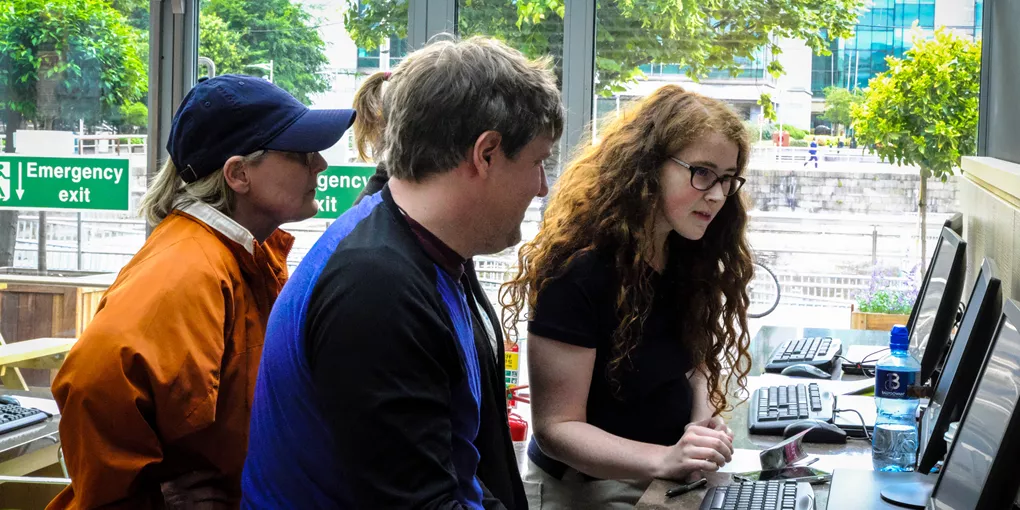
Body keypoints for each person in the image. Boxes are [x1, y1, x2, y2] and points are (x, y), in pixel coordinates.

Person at [242, 36, 562, 509]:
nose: (542, 188)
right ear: (486, 153)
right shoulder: (376, 288)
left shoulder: (417, 245)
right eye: (538, 162)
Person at [47, 74, 355, 509]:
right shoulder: (189, 267)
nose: (320, 164)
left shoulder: (236, 255)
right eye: (300, 153)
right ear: (238, 174)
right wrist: (147, 503)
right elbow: (91, 381)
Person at [500, 85, 754, 508]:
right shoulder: (578, 271)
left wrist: (701, 430)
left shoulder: (687, 252)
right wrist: (667, 458)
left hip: (663, 478)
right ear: (648, 167)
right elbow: (557, 428)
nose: (717, 194)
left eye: (727, 179)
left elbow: (697, 364)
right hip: (587, 488)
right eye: (703, 173)